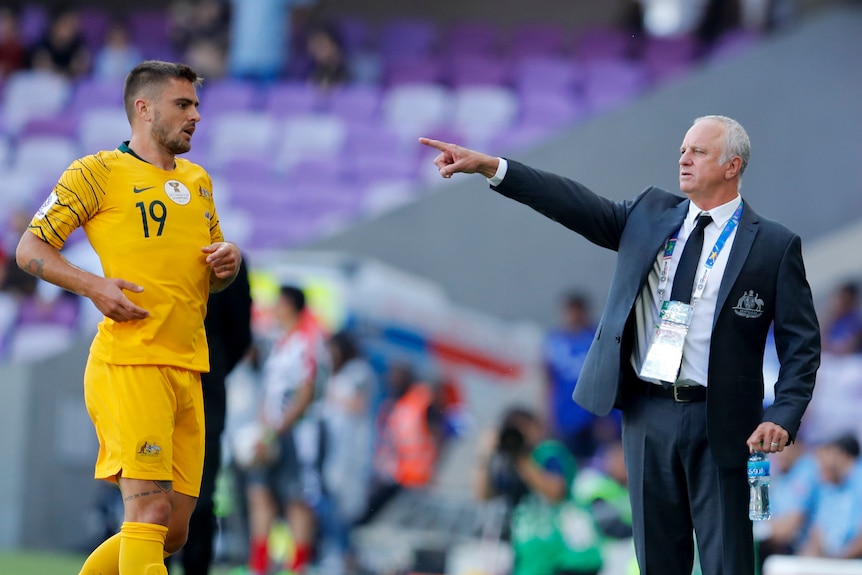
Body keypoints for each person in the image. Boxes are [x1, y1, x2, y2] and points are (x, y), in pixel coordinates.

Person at [420, 113, 821, 575]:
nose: (683, 159)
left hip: (725, 419)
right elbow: (573, 202)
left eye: (698, 151)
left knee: (728, 560)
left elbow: (802, 344)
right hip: (647, 414)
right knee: (656, 559)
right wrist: (494, 167)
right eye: (681, 150)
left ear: (733, 166)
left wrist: (783, 415)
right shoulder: (649, 215)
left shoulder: (773, 244)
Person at [15, 60, 242, 575]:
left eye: (197, 105)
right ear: (144, 108)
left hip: (189, 366)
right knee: (149, 511)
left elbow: (209, 277)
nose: (196, 117)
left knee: (175, 529)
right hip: (131, 363)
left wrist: (226, 266)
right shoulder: (95, 173)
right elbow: (30, 249)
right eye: (183, 105)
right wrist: (94, 286)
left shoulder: (199, 181)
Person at [237, 285, 331, 575]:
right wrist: (262, 427)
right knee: (259, 494)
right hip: (271, 433)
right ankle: (260, 565)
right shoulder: (279, 342)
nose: (273, 309)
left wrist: (275, 431)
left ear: (289, 305)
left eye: (277, 303)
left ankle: (297, 566)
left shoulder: (308, 342)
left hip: (298, 435)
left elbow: (305, 394)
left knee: (296, 499)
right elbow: (271, 391)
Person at [171, 256, 253, 575]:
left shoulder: (225, 257)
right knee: (198, 491)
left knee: (155, 487)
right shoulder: (227, 256)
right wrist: (214, 366)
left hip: (173, 381)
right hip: (205, 382)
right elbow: (240, 334)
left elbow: (241, 334)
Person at [475, 406, 604, 575]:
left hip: (568, 558)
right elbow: (483, 495)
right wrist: (484, 455)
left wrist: (520, 457)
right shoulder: (509, 466)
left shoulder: (550, 453)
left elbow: (555, 492)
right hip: (531, 564)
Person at [543, 291, 619, 464]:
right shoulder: (553, 341)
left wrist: (607, 416)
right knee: (569, 463)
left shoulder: (597, 338)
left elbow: (608, 377)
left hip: (594, 417)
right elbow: (549, 381)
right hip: (566, 415)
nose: (574, 317)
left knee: (599, 465)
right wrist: (548, 416)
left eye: (578, 311)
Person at [799, 433, 862, 559]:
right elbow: (817, 531)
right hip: (832, 561)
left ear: (841, 455)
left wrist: (837, 561)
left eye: (824, 456)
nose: (819, 464)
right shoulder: (828, 486)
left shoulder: (858, 481)